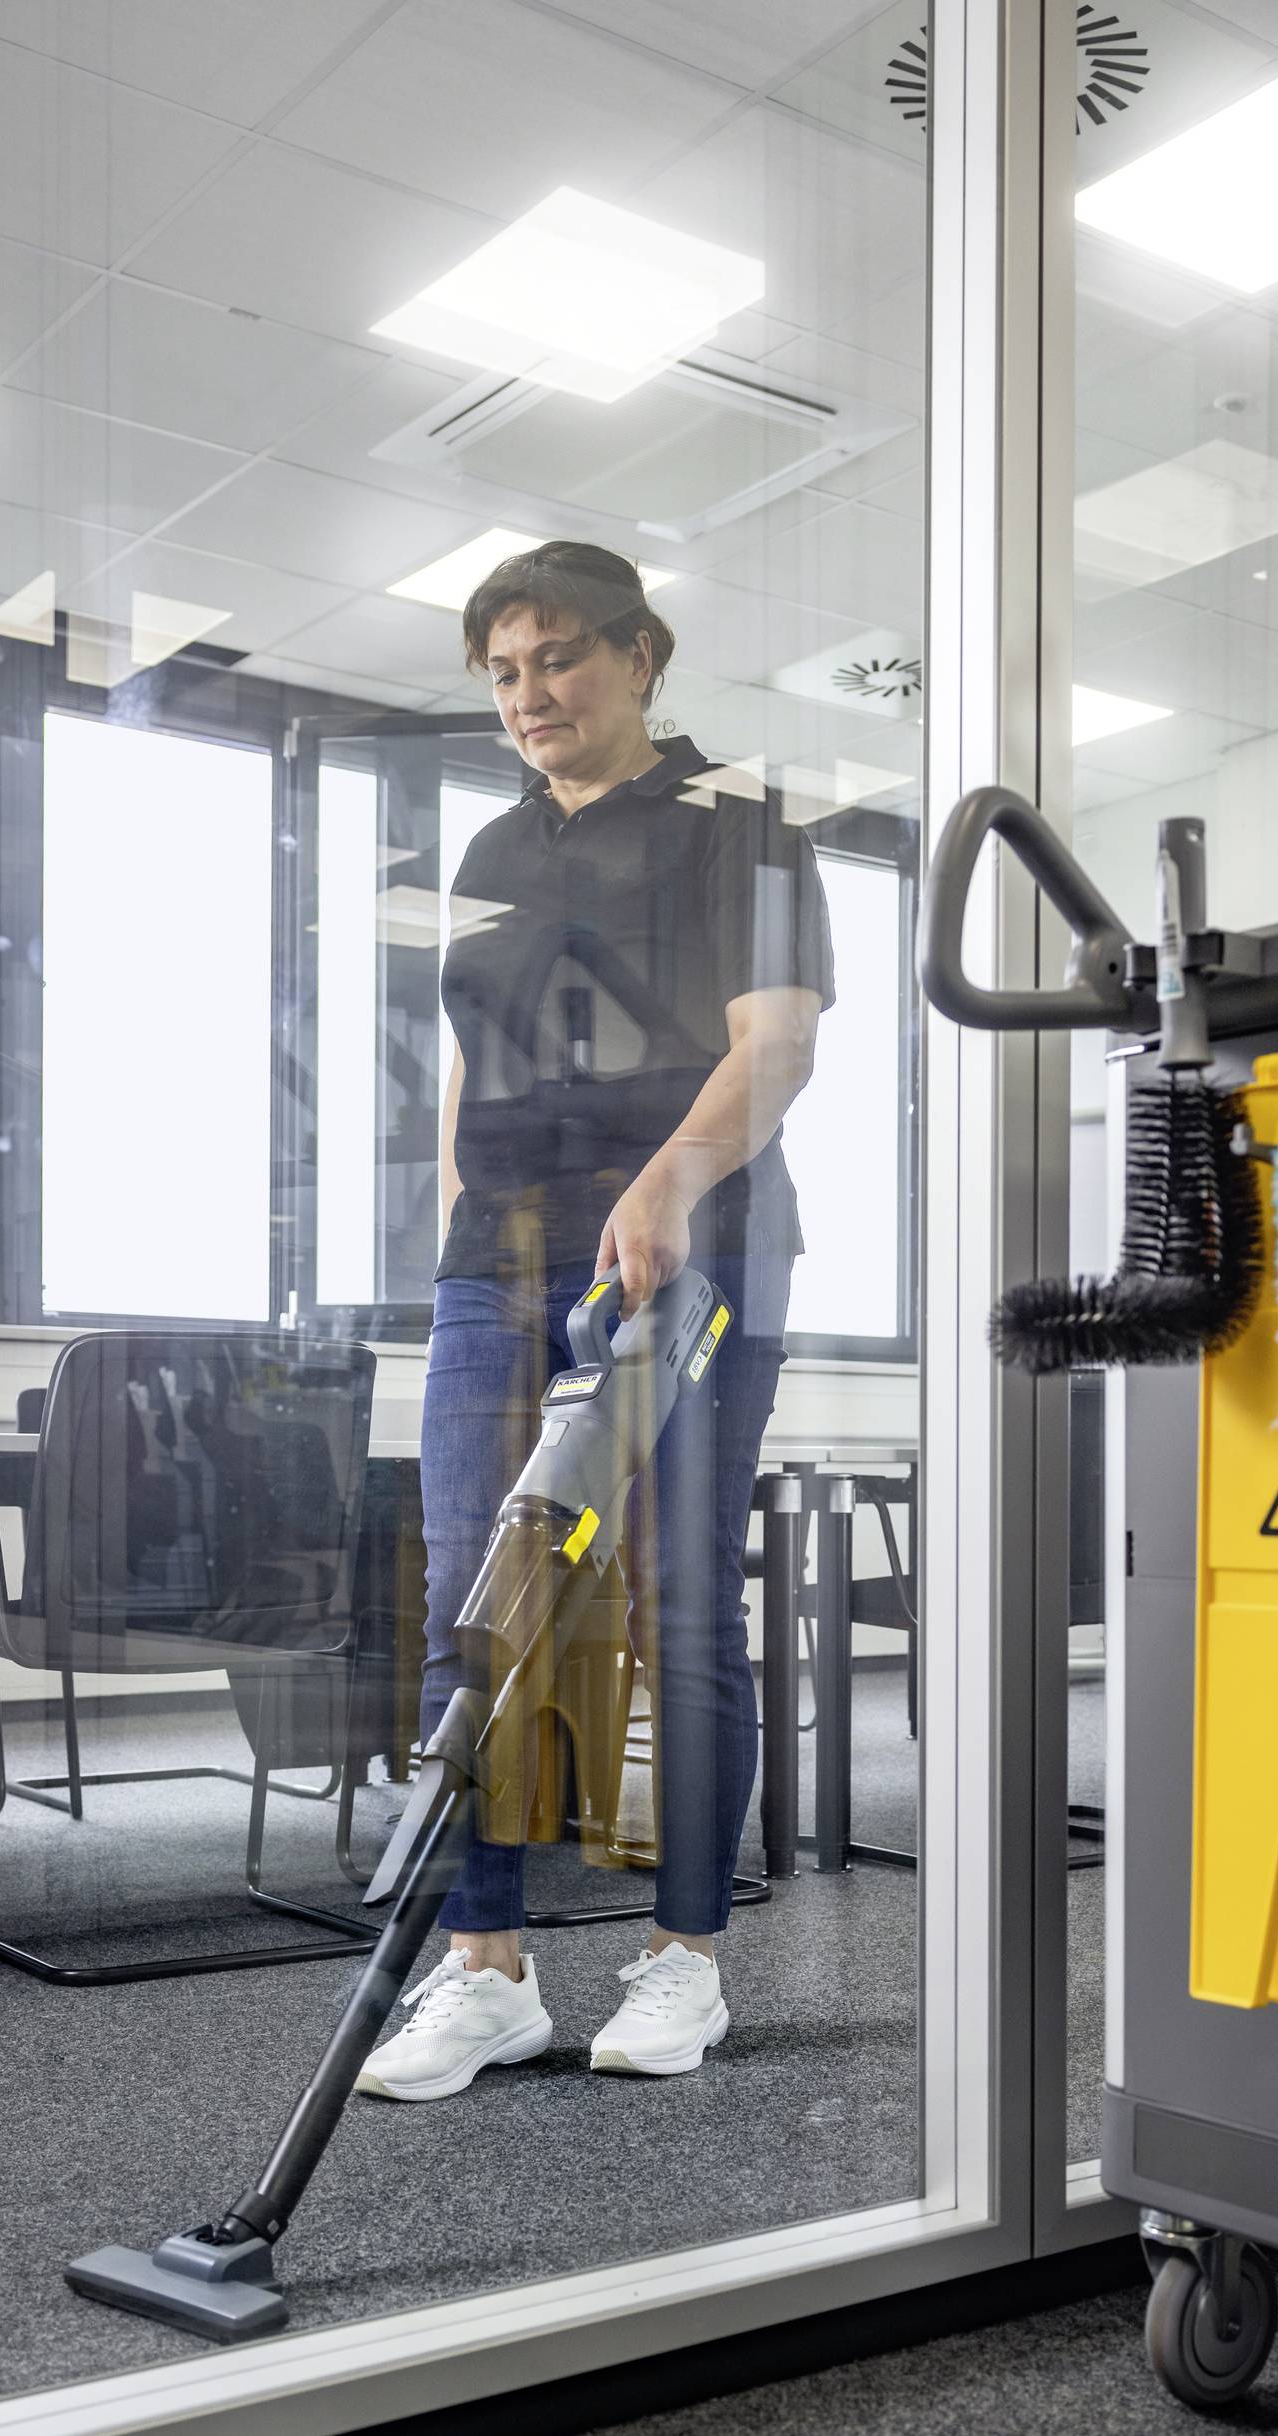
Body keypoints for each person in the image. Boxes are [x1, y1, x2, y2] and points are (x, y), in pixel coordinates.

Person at [355, 538, 833, 2100]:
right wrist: (451, 1242)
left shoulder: (738, 822)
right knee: (471, 1600)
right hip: (499, 1265)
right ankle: (486, 1970)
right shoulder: (485, 855)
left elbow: (777, 1047)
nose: (528, 694)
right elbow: (471, 1081)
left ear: (640, 656)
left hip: (690, 1255)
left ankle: (681, 1960)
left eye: (556, 658)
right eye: (501, 671)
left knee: (682, 1598)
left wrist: (672, 1181)